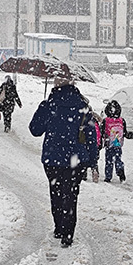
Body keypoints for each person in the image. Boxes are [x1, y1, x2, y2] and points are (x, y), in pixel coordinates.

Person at [29, 76, 97, 248]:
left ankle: (59, 228)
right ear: (73, 85)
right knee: (71, 195)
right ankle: (68, 234)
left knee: (56, 192)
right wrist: (93, 161)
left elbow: (35, 130)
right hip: (76, 161)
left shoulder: (49, 105)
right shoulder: (83, 107)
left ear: (56, 85)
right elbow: (91, 136)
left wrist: (43, 109)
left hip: (52, 159)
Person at [101, 100, 127, 182]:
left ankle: (108, 177)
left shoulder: (106, 121)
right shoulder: (121, 120)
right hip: (118, 143)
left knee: (109, 160)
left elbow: (102, 132)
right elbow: (125, 132)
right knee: (118, 158)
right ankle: (120, 169)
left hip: (109, 143)